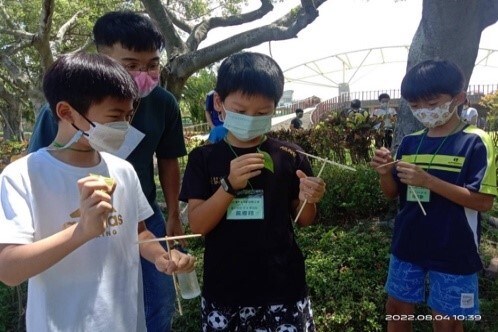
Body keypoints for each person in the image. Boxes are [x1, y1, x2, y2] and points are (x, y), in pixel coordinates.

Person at [0, 52, 195, 332]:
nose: (124, 128)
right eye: (115, 117)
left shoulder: (122, 171)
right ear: (66, 112)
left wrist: (160, 257)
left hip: (125, 321)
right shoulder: (23, 176)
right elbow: (8, 270)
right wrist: (81, 232)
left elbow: (139, 233)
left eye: (129, 116)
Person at [179, 52, 326, 332]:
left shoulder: (289, 156)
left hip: (282, 286)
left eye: (262, 113)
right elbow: (198, 224)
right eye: (241, 110)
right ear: (220, 103)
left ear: (274, 108)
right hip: (225, 288)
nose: (251, 119)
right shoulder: (204, 158)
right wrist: (229, 185)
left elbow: (304, 219)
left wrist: (309, 198)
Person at [370, 59, 497, 332]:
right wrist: (383, 173)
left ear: (459, 98)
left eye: (432, 104)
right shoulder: (410, 142)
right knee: (397, 311)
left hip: (454, 248)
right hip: (408, 244)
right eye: (415, 106)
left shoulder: (475, 141)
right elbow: (394, 194)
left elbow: (483, 202)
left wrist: (428, 180)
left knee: (447, 322)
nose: (424, 112)